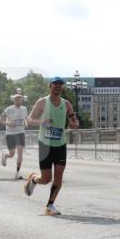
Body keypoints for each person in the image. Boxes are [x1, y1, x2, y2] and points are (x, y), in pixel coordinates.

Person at [23, 77, 79, 215]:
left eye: (60, 84)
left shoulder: (66, 104)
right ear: (50, 86)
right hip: (45, 144)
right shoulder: (42, 102)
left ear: (63, 88)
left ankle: (50, 205)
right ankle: (34, 179)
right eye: (55, 84)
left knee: (59, 175)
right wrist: (41, 122)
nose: (58, 86)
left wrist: (74, 123)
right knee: (46, 178)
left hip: (60, 144)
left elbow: (73, 119)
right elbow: (29, 120)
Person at [0, 94, 28, 179]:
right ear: (14, 101)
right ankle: (5, 155)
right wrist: (9, 123)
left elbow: (25, 119)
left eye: (20, 99)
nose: (18, 101)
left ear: (22, 100)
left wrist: (26, 123)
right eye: (17, 100)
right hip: (10, 133)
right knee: (12, 154)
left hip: (20, 133)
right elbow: (0, 119)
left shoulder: (24, 109)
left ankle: (17, 172)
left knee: (20, 153)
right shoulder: (8, 109)